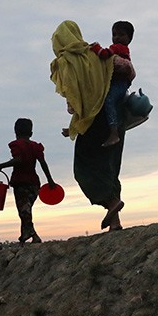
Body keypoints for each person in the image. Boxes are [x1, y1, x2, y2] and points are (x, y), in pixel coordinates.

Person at [50, 20, 125, 230]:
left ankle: (110, 203)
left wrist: (75, 122)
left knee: (84, 168)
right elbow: (125, 69)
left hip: (93, 122)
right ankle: (115, 221)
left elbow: (75, 102)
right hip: (115, 120)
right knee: (110, 167)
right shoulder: (95, 54)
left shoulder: (65, 62)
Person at [0, 118, 57, 244]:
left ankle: (33, 234)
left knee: (24, 211)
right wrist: (50, 180)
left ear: (15, 132)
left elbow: (18, 160)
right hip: (34, 184)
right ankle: (24, 236)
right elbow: (43, 163)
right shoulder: (36, 147)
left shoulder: (16, 145)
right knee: (25, 210)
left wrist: (1, 166)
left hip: (21, 183)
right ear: (31, 133)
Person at [90, 20, 136, 147]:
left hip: (120, 83)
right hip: (121, 83)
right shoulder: (122, 48)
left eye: (121, 35)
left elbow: (104, 54)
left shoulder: (117, 48)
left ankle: (114, 133)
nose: (117, 38)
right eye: (114, 34)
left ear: (129, 38)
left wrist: (95, 47)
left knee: (109, 100)